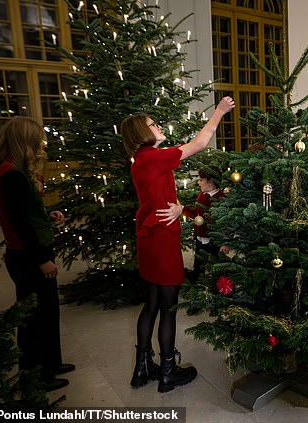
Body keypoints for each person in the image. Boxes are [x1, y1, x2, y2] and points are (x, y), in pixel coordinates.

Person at [121, 96, 235, 393]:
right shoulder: (152, 157)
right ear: (141, 133)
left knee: (152, 303)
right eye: (153, 124)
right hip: (161, 240)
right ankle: (168, 372)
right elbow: (199, 143)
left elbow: (156, 196)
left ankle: (142, 367)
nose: (158, 127)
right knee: (169, 308)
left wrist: (177, 205)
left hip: (148, 238)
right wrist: (219, 112)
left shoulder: (139, 161)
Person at [0, 116, 75, 392]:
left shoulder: (16, 171)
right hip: (27, 257)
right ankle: (36, 376)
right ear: (24, 140)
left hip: (29, 252)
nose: (43, 142)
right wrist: (41, 259)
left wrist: (47, 216)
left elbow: (27, 214)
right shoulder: (11, 174)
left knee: (47, 311)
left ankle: (51, 362)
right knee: (34, 318)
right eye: (38, 137)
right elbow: (21, 225)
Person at [179, 166, 229, 282]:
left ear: (210, 182)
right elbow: (196, 215)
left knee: (218, 268)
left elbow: (226, 223)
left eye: (201, 180)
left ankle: (221, 288)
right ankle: (196, 285)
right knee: (198, 266)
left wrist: (225, 243)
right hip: (200, 238)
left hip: (215, 241)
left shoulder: (221, 199)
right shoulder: (202, 196)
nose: (198, 182)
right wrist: (182, 208)